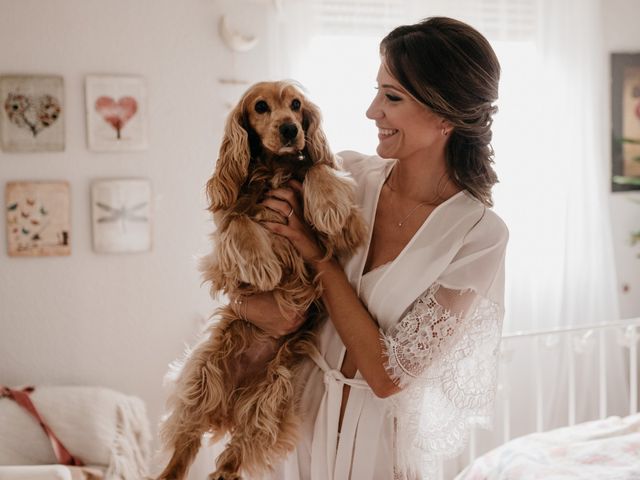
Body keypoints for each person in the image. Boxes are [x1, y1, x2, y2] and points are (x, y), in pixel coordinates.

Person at [233, 16, 508, 479]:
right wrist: (246, 305)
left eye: (392, 97)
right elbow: (244, 269)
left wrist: (317, 255)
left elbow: (387, 377)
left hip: (376, 446)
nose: (371, 111)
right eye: (377, 91)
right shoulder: (344, 178)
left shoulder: (477, 235)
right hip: (288, 423)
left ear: (446, 116)